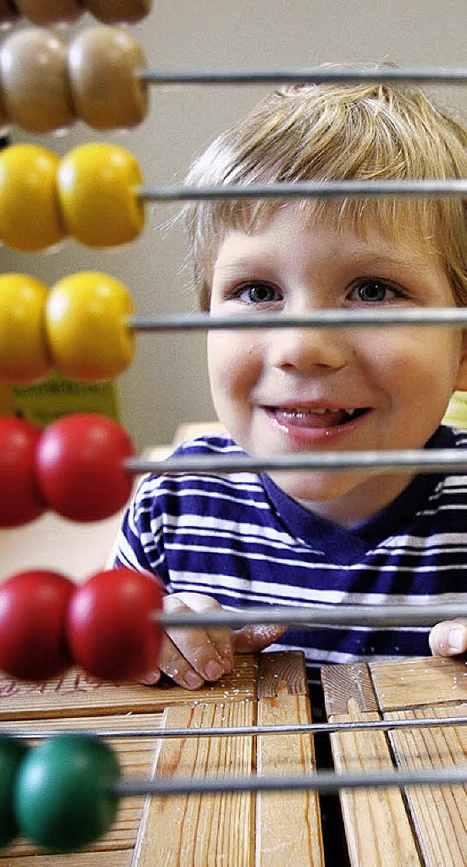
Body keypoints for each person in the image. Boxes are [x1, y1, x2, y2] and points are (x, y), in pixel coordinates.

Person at [113, 71, 467, 694]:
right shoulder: (172, 507)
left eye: (373, 290)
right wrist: (152, 643)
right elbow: (110, 674)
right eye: (257, 292)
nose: (301, 347)